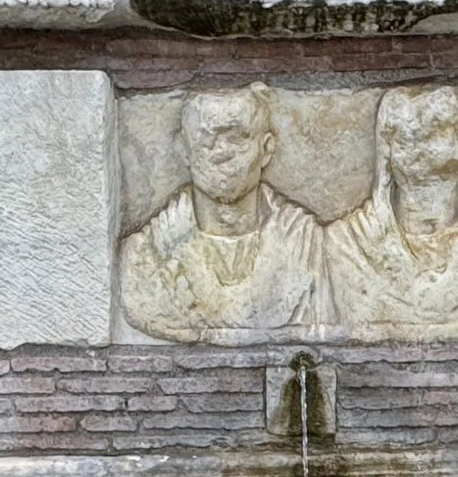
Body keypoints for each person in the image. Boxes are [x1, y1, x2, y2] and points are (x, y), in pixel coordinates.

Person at [118, 85, 331, 340]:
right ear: (184, 150)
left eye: (237, 137)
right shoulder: (144, 256)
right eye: (207, 139)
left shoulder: (306, 243)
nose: (222, 153)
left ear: (266, 149)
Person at [327, 83, 458, 331]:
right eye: (401, 135)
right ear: (386, 151)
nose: (416, 146)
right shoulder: (348, 242)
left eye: (434, 130)